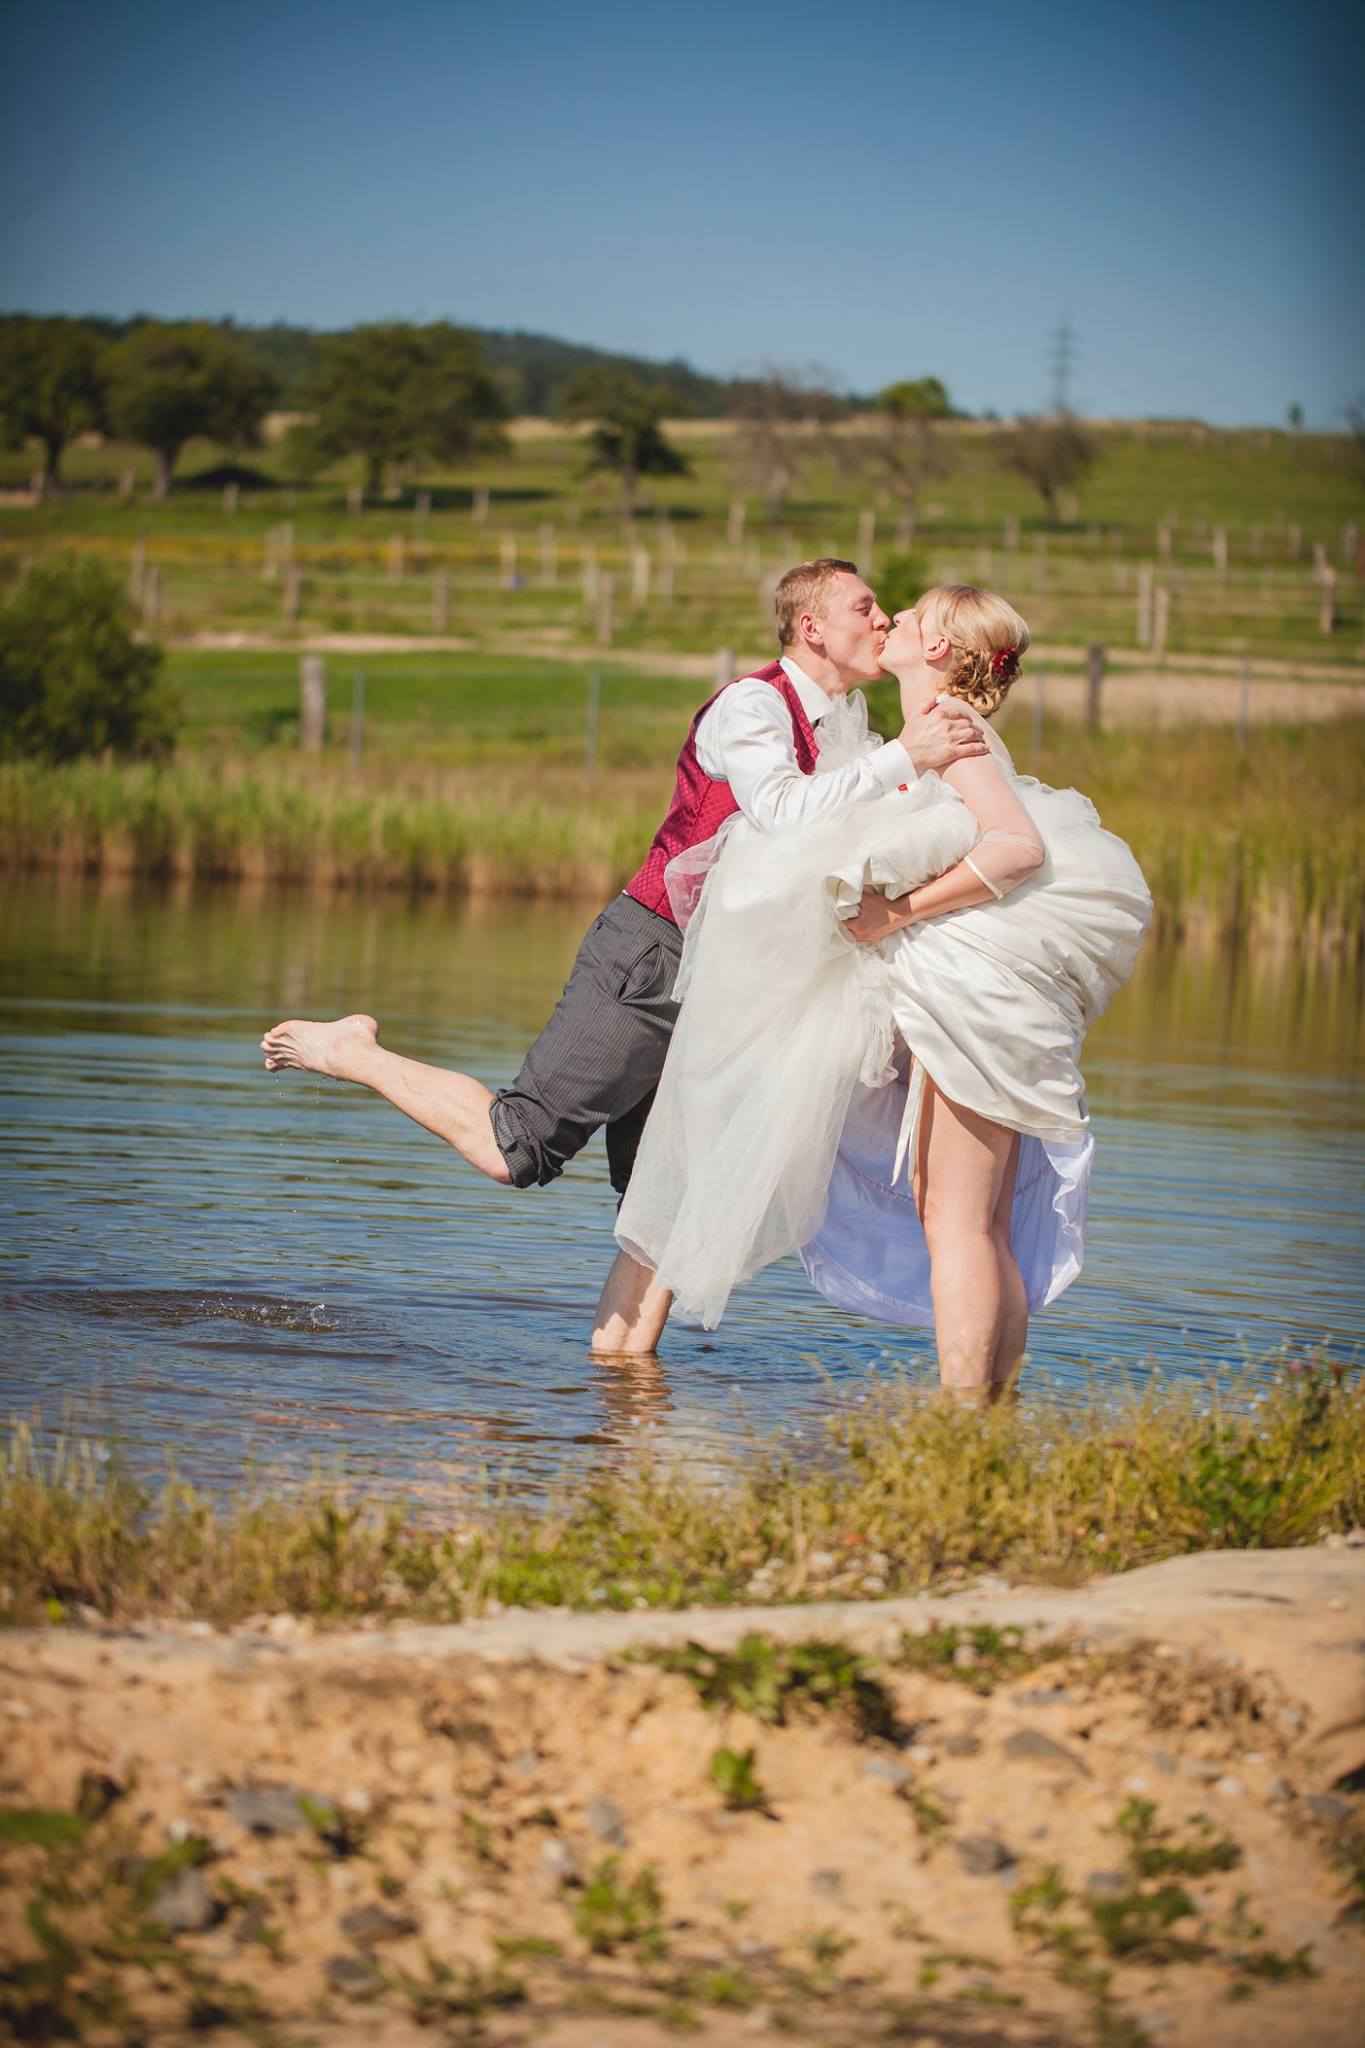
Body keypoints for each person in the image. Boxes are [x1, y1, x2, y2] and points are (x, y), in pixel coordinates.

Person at [260, 560, 988, 1353]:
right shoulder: (751, 705)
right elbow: (780, 809)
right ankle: (352, 1051)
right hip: (656, 952)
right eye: (864, 606)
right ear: (811, 627)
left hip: (735, 985)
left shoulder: (848, 723)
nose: (882, 618)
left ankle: (623, 1386)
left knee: (666, 1206)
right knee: (517, 1147)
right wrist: (904, 757)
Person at [614, 585, 1153, 1394]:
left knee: (958, 1222)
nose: (890, 620)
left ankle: (963, 1420)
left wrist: (893, 913)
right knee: (977, 1222)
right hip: (971, 995)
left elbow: (1016, 848)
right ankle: (988, 1416)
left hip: (974, 1000)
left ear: (934, 648)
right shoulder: (931, 726)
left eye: (907, 615)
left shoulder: (949, 727)